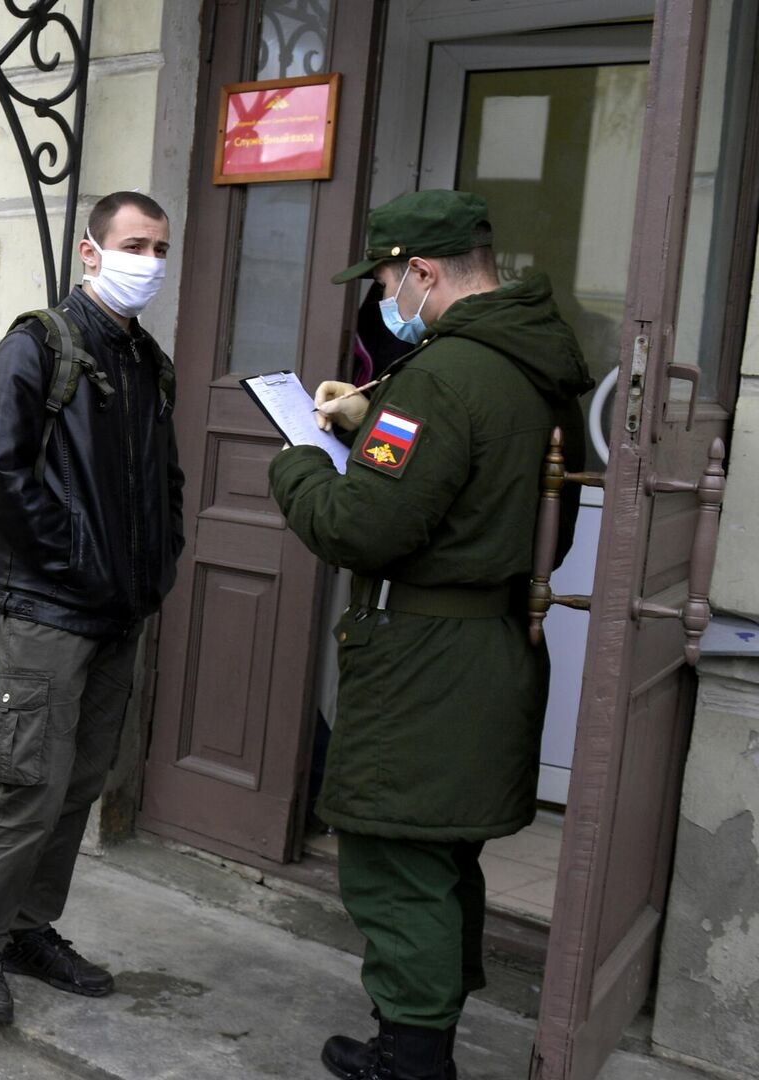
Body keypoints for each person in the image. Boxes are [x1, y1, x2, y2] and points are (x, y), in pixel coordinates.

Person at [268, 190, 592, 1080]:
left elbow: (361, 528)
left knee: (394, 863)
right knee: (445, 858)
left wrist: (299, 458)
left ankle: (411, 1062)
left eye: (381, 278)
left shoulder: (441, 376)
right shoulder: (537, 363)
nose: (380, 298)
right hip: (491, 651)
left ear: (421, 272)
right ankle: (416, 1035)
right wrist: (370, 425)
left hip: (425, 667)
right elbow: (492, 491)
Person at [0, 191, 186, 1025]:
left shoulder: (148, 362)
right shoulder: (39, 345)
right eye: (134, 245)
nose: (148, 262)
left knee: (78, 787)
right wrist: (79, 564)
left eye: (160, 248)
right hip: (49, 611)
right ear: (90, 252)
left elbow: (166, 483)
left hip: (119, 614)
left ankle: (28, 928)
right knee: (27, 789)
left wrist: (156, 569)